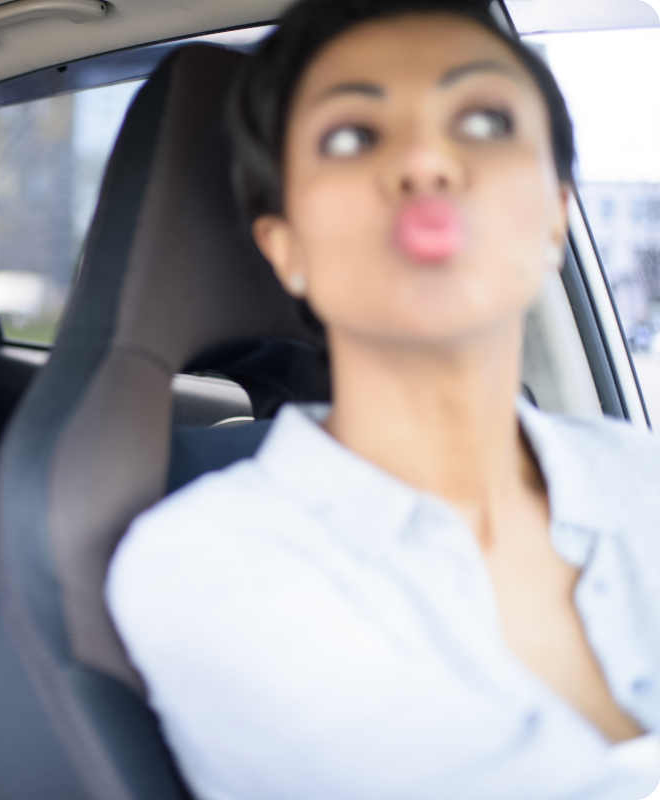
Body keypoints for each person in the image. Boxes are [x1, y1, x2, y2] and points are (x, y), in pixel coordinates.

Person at [106, 1, 660, 798]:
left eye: (484, 122)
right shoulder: (201, 566)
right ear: (285, 247)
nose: (428, 163)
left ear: (557, 214)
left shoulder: (642, 472)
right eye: (352, 136)